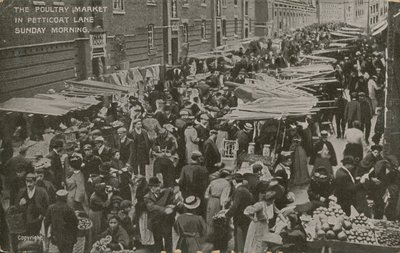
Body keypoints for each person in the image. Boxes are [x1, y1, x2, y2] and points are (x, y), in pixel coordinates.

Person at [144, 177, 178, 253]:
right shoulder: (147, 197)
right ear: (150, 188)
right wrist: (165, 209)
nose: (158, 188)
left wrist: (174, 204)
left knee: (168, 240)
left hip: (166, 221)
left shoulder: (166, 192)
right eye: (155, 186)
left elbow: (172, 201)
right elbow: (152, 207)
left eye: (158, 186)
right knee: (158, 242)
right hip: (155, 222)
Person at [224, 173, 255, 253]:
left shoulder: (239, 190)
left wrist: (226, 215)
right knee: (244, 238)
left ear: (234, 182)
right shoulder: (246, 190)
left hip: (240, 218)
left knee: (239, 239)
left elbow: (235, 206)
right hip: (246, 218)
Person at [204, 168, 231, 234]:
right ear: (227, 176)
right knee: (217, 218)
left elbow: (207, 193)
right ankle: (216, 235)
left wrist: (208, 198)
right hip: (218, 201)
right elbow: (224, 196)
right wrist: (223, 205)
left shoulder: (213, 182)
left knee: (209, 217)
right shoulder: (226, 183)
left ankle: (209, 234)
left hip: (211, 200)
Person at [87, 183, 113, 248]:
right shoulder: (94, 197)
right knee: (95, 230)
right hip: (95, 214)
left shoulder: (97, 193)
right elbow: (105, 205)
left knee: (99, 229)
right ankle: (93, 246)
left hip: (98, 213)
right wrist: (109, 197)